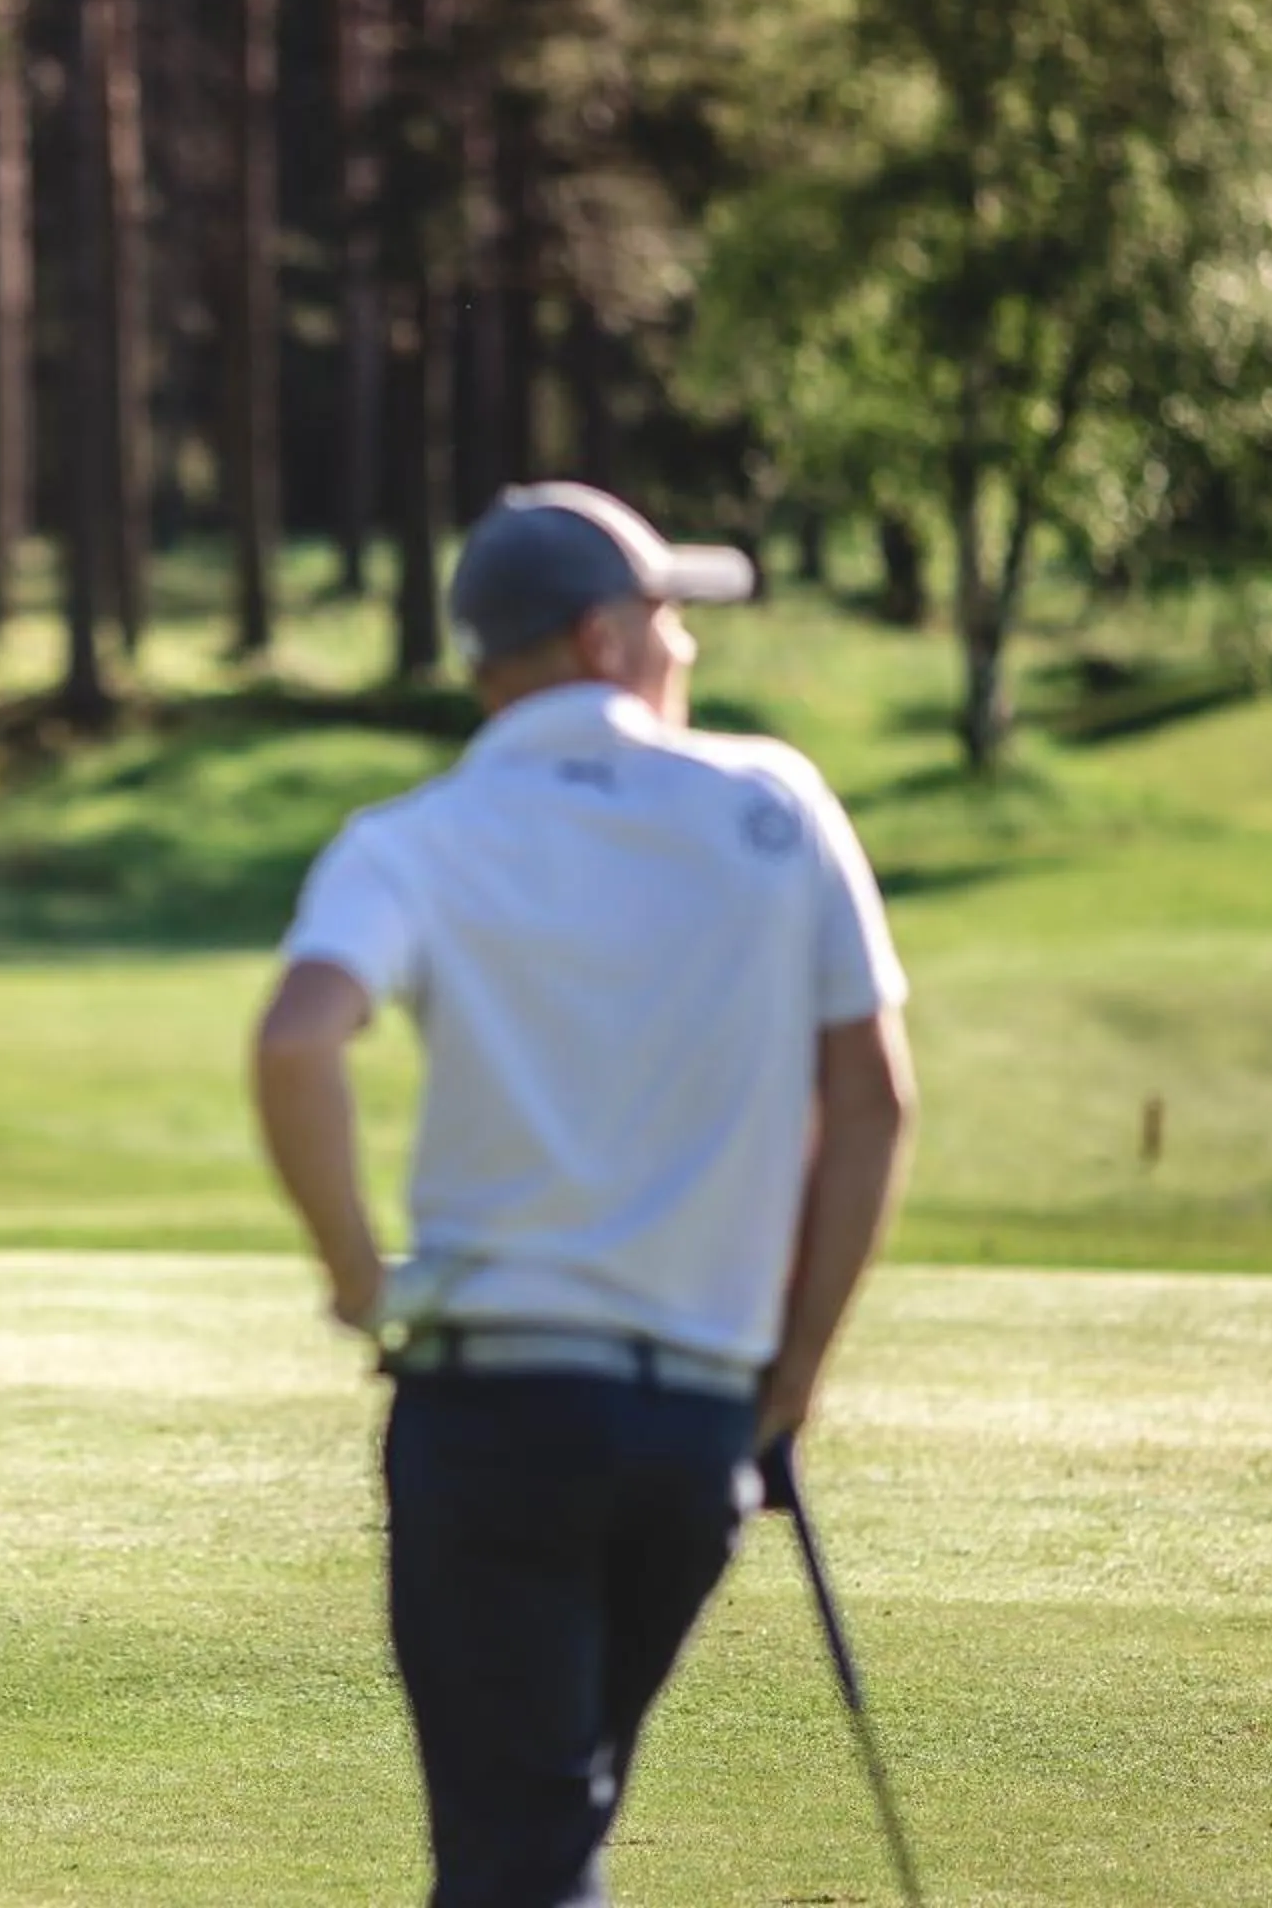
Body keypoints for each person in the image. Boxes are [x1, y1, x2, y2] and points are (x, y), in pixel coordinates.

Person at [250, 483, 918, 1905]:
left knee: (521, 1850)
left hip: (485, 1417)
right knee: (542, 1835)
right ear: (606, 637)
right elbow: (872, 1102)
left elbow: (298, 1041)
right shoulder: (775, 802)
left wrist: (367, 1290)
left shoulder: (412, 835)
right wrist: (792, 1371)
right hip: (692, 1436)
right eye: (672, 619)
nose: (685, 649)